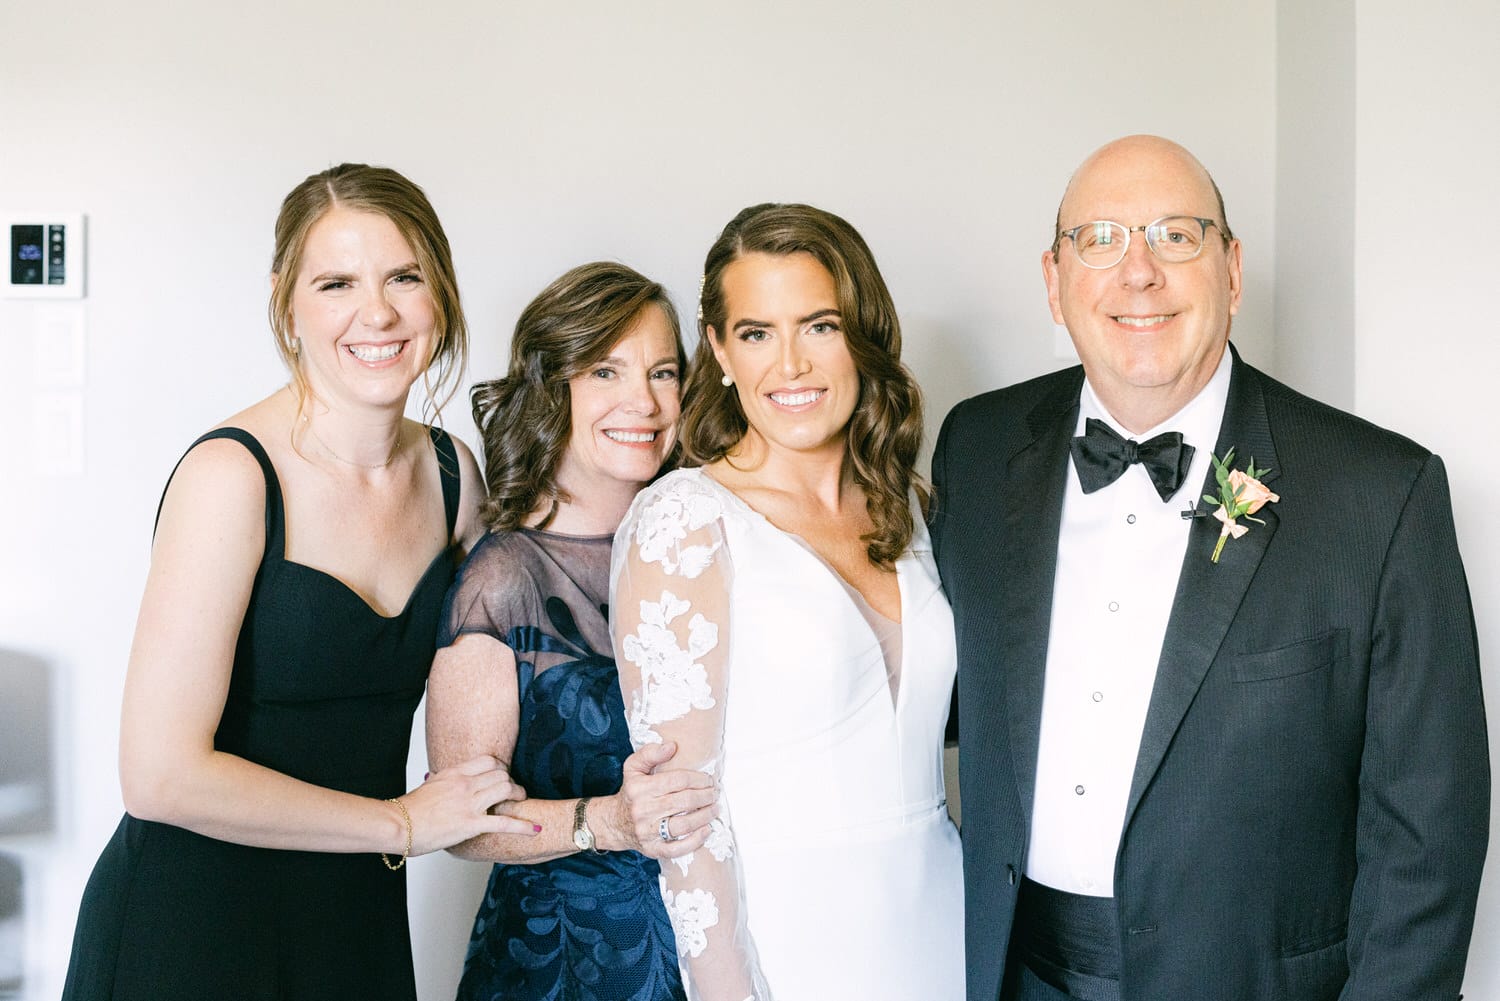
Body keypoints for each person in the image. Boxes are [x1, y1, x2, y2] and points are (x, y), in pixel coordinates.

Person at [932, 135, 1489, 1001]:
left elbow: (1428, 833)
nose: (1139, 271)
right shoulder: (977, 445)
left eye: (1177, 236)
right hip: (1018, 973)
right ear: (1053, 279)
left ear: (1231, 270)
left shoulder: (1382, 492)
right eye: (1101, 239)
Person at [61, 163, 537, 1001]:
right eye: (337, 283)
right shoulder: (231, 476)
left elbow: (523, 651)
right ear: (287, 299)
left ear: (440, 291)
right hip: (194, 928)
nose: (377, 312)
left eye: (404, 276)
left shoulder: (452, 475)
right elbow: (158, 773)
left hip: (352, 922)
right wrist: (400, 822)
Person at [610, 203, 965, 1001]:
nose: (791, 365)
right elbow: (683, 826)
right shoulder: (684, 522)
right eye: (757, 333)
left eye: (820, 326)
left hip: (947, 924)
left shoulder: (908, 507)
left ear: (862, 335)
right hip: (789, 946)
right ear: (719, 350)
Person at [426, 261, 715, 1001]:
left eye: (663, 372)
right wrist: (609, 821)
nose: (643, 402)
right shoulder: (504, 577)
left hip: (713, 950)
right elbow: (462, 820)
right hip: (563, 966)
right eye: (606, 372)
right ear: (551, 388)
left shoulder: (710, 547)